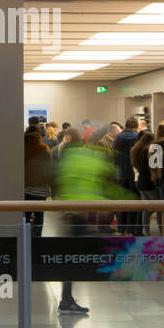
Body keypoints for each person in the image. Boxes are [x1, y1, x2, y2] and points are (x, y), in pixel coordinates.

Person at [53, 132, 131, 314]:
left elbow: (63, 185)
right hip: (79, 217)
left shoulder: (72, 160)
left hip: (73, 215)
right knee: (81, 256)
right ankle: (66, 299)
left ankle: (67, 299)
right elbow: (106, 188)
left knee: (72, 258)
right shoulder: (93, 162)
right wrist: (130, 199)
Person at [24, 129, 54, 246]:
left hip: (25, 188)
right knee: (39, 215)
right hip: (40, 189)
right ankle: (37, 240)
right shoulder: (44, 149)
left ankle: (24, 238)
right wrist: (53, 187)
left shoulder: (22, 149)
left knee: (25, 215)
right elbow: (50, 169)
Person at [111, 118, 141, 234]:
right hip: (134, 174)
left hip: (120, 174)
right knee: (134, 202)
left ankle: (121, 228)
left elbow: (113, 156)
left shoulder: (117, 138)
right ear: (136, 126)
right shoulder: (138, 138)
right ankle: (132, 228)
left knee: (121, 203)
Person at [130, 130, 157, 234]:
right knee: (160, 206)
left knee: (146, 208)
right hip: (149, 182)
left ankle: (147, 231)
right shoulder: (149, 151)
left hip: (140, 181)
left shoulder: (136, 150)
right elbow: (154, 168)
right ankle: (162, 230)